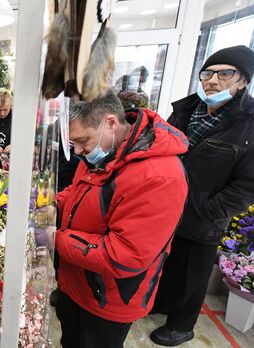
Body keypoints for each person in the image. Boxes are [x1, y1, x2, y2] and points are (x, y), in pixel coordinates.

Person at [54, 91, 188, 347]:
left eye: (83, 141)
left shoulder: (159, 176)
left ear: (111, 123)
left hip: (108, 297)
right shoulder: (105, 149)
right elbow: (80, 189)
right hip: (76, 280)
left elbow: (125, 254)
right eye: (74, 144)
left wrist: (55, 238)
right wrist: (51, 207)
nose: (79, 151)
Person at [150, 45, 254, 346]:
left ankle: (182, 324)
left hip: (205, 216)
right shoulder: (185, 111)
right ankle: (160, 304)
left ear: (242, 81)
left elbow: (252, 183)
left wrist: (210, 209)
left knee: (192, 273)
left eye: (225, 73)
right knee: (168, 263)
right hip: (167, 207)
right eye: (208, 73)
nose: (213, 80)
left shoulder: (253, 122)